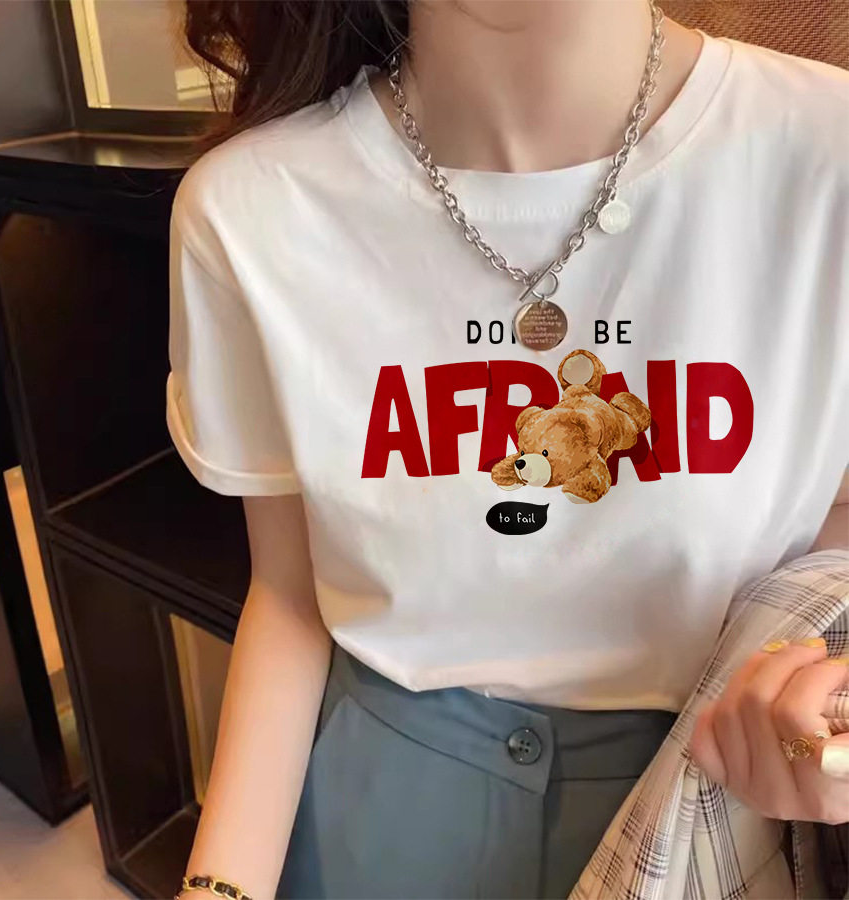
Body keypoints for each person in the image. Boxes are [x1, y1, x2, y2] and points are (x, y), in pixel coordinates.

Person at [165, 2, 849, 898]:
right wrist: (219, 887)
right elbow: (290, 596)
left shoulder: (825, 150)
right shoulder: (252, 210)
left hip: (709, 811)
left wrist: (822, 700)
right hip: (373, 821)